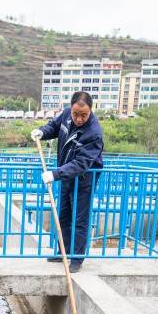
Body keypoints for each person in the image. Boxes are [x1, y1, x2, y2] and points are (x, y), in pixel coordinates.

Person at [31, 91, 104, 273]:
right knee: (63, 215)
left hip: (84, 180)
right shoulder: (65, 115)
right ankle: (63, 251)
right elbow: (54, 127)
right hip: (66, 177)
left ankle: (77, 258)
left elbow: (81, 163)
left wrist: (55, 174)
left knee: (79, 219)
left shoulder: (94, 133)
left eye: (84, 115)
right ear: (71, 109)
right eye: (76, 114)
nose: (79, 119)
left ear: (91, 111)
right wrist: (42, 131)